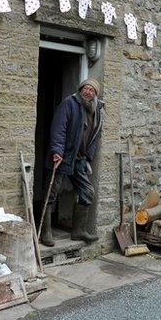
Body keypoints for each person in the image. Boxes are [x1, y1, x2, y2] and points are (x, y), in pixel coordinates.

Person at [40, 78, 105, 246]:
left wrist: (88, 156)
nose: (88, 92)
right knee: (51, 192)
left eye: (92, 90)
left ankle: (78, 231)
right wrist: (57, 151)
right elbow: (59, 128)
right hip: (63, 156)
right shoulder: (69, 103)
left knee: (87, 192)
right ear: (81, 89)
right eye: (86, 88)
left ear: (95, 94)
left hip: (80, 158)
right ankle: (45, 232)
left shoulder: (96, 109)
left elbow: (95, 136)